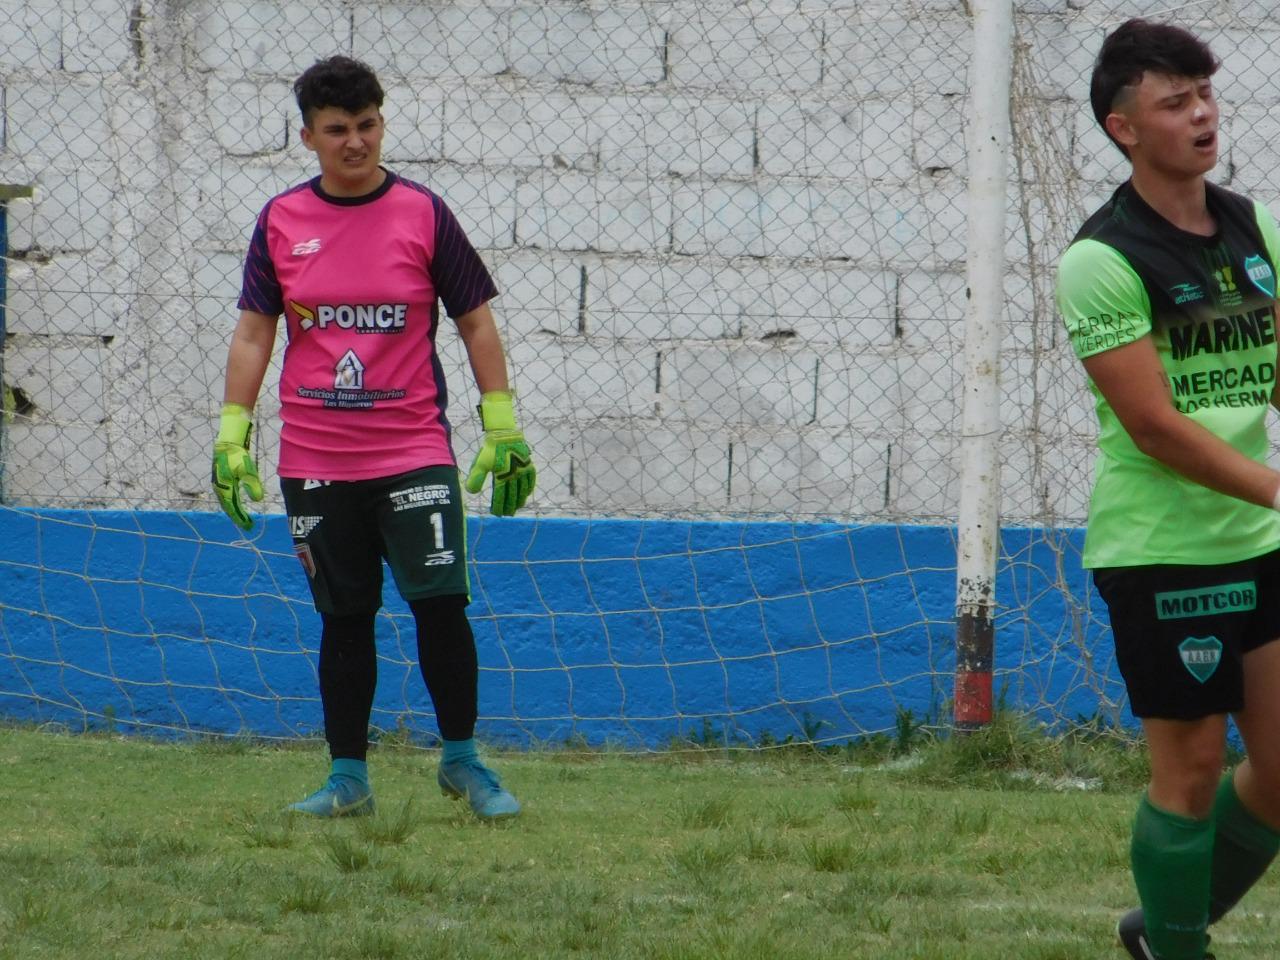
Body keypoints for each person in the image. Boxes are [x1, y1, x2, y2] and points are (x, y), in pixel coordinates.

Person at [211, 55, 536, 821]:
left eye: (368, 125)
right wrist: (232, 435)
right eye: (337, 130)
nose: (356, 142)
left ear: (380, 122)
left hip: (413, 452)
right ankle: (348, 778)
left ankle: (462, 763)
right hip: (317, 461)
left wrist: (502, 421)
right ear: (308, 137)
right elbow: (256, 332)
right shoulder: (282, 220)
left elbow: (475, 319)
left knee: (441, 607)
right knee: (344, 618)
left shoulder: (424, 212)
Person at [1056, 19, 1280, 960]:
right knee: (1187, 773)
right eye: (1175, 102)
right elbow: (1155, 427)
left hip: (1258, 541)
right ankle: (1182, 950)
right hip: (1162, 555)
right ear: (1123, 128)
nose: (1201, 116)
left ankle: (1164, 930)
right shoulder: (1099, 259)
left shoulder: (1250, 223)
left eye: (1206, 96)